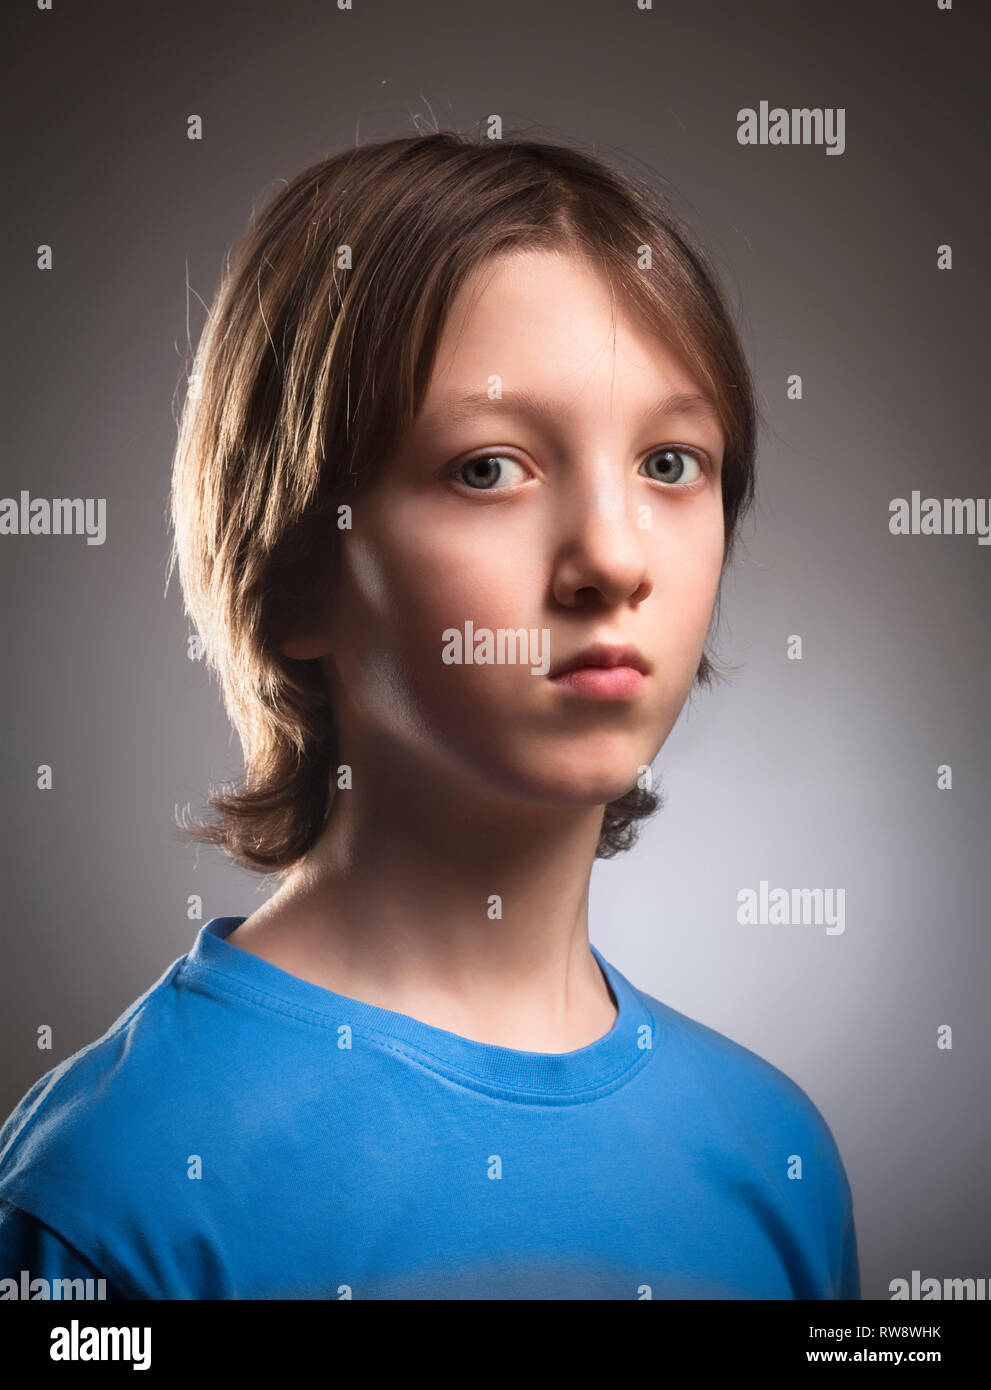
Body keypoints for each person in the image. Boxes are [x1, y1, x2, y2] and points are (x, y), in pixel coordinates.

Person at [0, 130, 859, 1299]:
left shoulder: (778, 1160)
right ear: (296, 571)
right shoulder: (110, 1200)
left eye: (669, 462)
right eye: (489, 468)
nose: (613, 557)